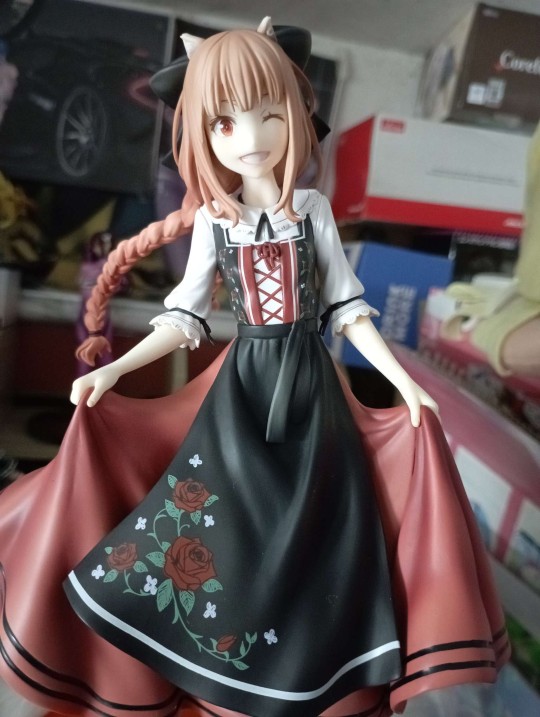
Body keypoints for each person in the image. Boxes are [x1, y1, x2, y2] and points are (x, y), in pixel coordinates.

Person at [0, 18, 508, 717]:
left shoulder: (313, 211)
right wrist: (113, 371)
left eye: (269, 114)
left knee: (320, 528)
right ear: (202, 134)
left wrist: (404, 383)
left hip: (312, 392)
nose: (250, 137)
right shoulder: (218, 221)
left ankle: (309, 664)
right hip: (241, 392)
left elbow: (348, 309)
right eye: (225, 123)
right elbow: (184, 317)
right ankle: (215, 673)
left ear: (296, 114)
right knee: (225, 528)